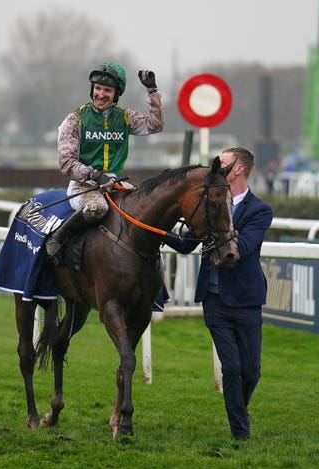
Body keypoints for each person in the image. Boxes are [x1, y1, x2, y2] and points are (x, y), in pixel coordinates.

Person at [165, 147, 273, 440]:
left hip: (247, 299)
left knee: (251, 372)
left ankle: (239, 409)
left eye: (223, 162)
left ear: (239, 169)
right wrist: (154, 229)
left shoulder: (260, 210)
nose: (217, 164)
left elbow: (245, 246)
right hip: (214, 301)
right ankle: (240, 434)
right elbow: (187, 244)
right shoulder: (208, 202)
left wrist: (230, 247)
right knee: (232, 367)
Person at [45, 62, 164, 261]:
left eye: (107, 90)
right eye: (98, 88)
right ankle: (58, 238)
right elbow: (66, 163)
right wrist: (95, 175)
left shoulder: (125, 118)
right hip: (83, 186)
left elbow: (155, 125)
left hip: (114, 184)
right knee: (97, 208)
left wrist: (152, 92)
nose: (101, 94)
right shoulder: (75, 119)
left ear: (116, 94)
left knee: (143, 207)